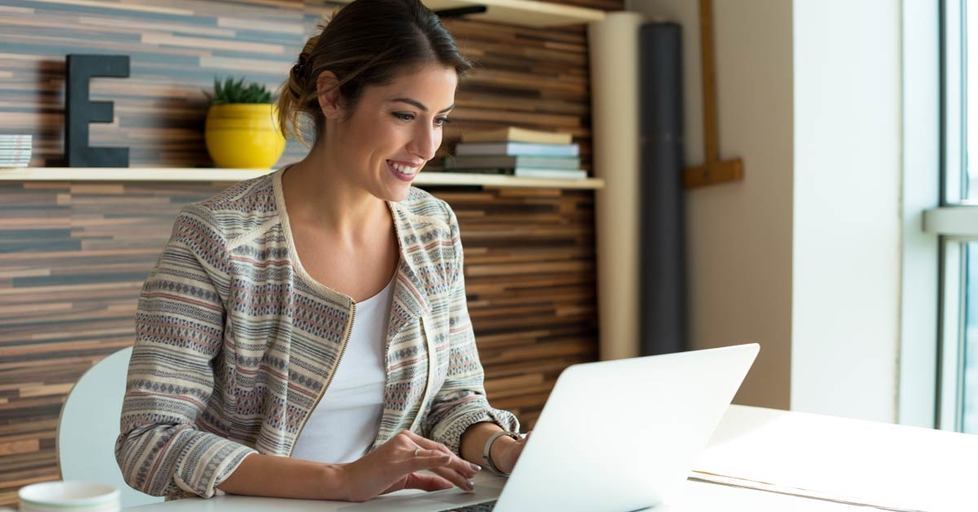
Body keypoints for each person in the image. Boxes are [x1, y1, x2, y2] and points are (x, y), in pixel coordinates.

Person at [114, 0, 528, 502]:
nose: (426, 146)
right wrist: (342, 482)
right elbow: (149, 440)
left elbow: (453, 401)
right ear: (332, 97)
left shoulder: (431, 228)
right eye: (404, 115)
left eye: (439, 119)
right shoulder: (218, 237)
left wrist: (503, 449)